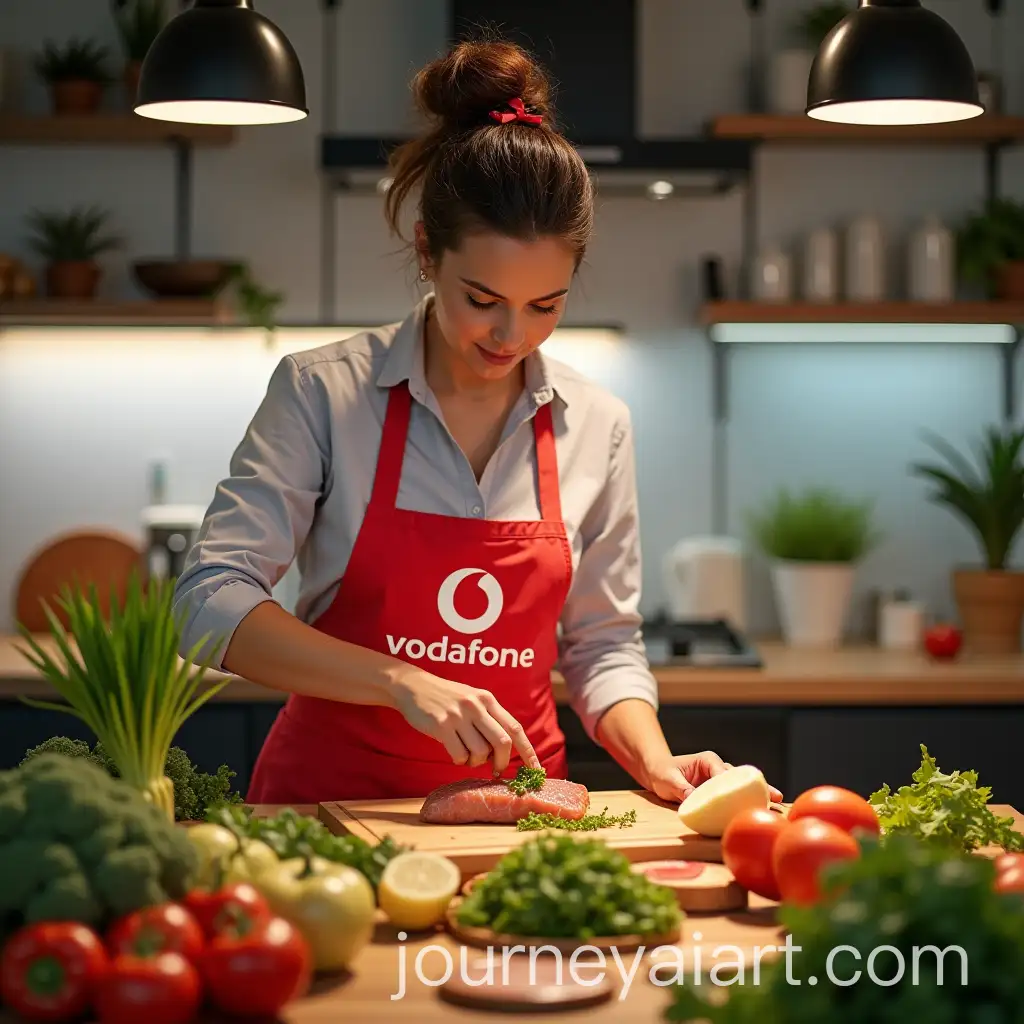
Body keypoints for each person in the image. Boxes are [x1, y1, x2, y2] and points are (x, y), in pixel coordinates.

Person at [172, 38, 782, 807]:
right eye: (483, 300)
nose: (511, 336)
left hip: (523, 815)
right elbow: (205, 603)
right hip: (328, 810)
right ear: (427, 251)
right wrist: (398, 681)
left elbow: (602, 647)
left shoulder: (599, 423)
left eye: (546, 306)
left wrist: (654, 758)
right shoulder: (324, 393)